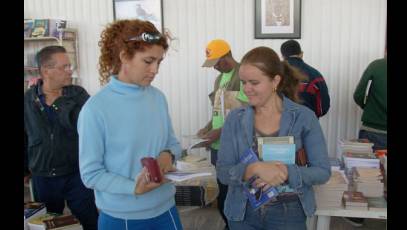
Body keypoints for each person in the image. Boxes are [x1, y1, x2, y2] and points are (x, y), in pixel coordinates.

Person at [77, 19, 183, 230]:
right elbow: (91, 174)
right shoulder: (95, 109)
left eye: (159, 62)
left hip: (166, 209)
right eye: (148, 61)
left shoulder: (158, 98)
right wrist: (133, 188)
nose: (155, 70)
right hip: (122, 218)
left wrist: (168, 155)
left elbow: (173, 143)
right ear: (124, 56)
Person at [216, 46, 331, 229]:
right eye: (243, 82)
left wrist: (286, 172)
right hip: (242, 213)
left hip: (288, 215)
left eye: (254, 83)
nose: (247, 89)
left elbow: (323, 171)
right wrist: (252, 169)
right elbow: (223, 172)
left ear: (275, 81)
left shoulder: (303, 117)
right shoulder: (235, 119)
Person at [24, 46, 98, 230]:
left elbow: (87, 127)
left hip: (77, 173)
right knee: (49, 224)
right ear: (46, 70)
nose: (69, 70)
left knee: (90, 221)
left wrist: (58, 103)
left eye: (69, 65)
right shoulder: (27, 100)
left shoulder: (78, 94)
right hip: (43, 175)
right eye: (64, 67)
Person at [197, 39, 248, 229]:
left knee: (237, 191)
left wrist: (218, 132)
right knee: (223, 191)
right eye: (212, 64)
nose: (215, 68)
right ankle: (229, 224)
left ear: (228, 55)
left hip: (236, 146)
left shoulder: (243, 75)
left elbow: (244, 113)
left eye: (217, 63)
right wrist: (208, 128)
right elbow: (219, 111)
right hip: (219, 146)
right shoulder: (219, 79)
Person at [346, 52, 387, 227]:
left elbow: (358, 94)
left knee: (366, 172)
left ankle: (358, 215)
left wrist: (369, 109)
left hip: (373, 127)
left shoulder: (377, 66)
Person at [280, 39, 330, 118]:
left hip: (278, 125)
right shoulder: (315, 75)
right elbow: (323, 108)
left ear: (283, 56)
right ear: (301, 54)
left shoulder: (273, 74)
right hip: (307, 124)